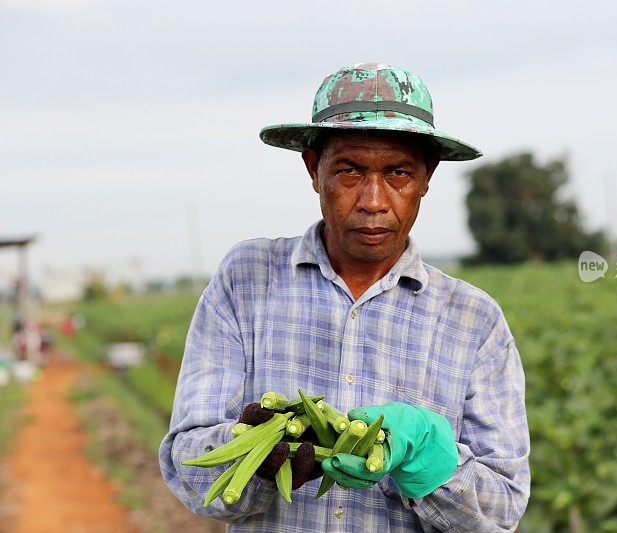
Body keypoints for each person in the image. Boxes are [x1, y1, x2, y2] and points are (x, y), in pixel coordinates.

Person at [160, 62, 530, 532]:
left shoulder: (474, 321)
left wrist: (431, 462)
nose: (374, 200)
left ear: (427, 177)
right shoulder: (247, 280)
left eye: (398, 173)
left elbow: (502, 510)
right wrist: (265, 453)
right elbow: (187, 461)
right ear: (314, 169)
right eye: (350, 171)